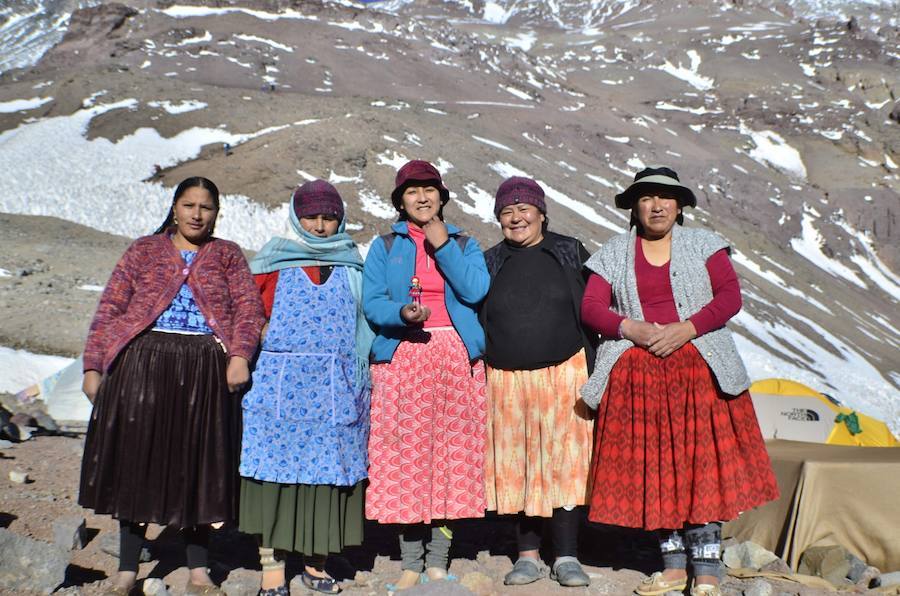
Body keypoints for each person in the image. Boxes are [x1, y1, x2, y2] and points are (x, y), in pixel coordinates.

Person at [580, 167, 779, 596]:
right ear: (634, 206)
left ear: (680, 205)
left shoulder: (705, 246)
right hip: (639, 374)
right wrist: (630, 327)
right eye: (647, 197)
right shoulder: (614, 252)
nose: (657, 205)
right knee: (657, 466)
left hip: (699, 369)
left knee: (699, 464)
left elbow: (729, 297)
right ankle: (671, 564)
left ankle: (706, 565)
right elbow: (592, 307)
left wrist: (687, 328)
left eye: (666, 198)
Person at [79, 176, 266, 595]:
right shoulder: (144, 250)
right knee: (137, 463)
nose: (197, 214)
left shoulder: (227, 255)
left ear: (217, 213)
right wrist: (94, 366)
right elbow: (111, 305)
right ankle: (128, 569)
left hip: (204, 366)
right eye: (188, 205)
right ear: (175, 207)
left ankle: (198, 570)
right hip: (142, 364)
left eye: (206, 207)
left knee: (197, 465)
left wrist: (239, 356)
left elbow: (248, 311)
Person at [239, 180, 374, 595]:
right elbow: (246, 314)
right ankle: (271, 568)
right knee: (274, 479)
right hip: (280, 389)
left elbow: (365, 322)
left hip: (336, 388)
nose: (320, 225)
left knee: (327, 479)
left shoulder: (354, 265)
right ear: (297, 217)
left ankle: (316, 565)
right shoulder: (272, 263)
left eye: (329, 217)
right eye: (311, 216)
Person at [363, 160, 490, 591]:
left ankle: (439, 557)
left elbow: (475, 290)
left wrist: (443, 246)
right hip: (404, 357)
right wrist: (401, 313)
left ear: (441, 196)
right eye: (412, 191)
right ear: (400, 200)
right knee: (406, 460)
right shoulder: (384, 246)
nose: (421, 197)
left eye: (429, 189)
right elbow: (372, 302)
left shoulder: (465, 243)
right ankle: (410, 559)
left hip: (455, 357)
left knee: (450, 458)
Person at [480, 177, 596, 587]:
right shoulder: (491, 260)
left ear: (542, 213)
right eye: (507, 212)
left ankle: (566, 556)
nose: (516, 217)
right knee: (519, 465)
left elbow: (595, 308)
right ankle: (527, 556)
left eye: (524, 209)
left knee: (564, 465)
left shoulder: (568, 251)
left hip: (565, 373)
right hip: (506, 379)